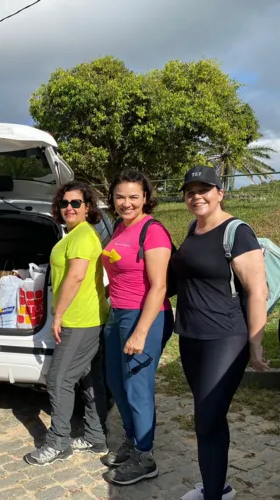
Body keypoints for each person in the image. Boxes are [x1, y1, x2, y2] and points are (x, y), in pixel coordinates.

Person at [171, 166, 270, 500]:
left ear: (220, 192)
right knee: (207, 415)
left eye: (204, 189)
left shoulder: (237, 232)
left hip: (225, 337)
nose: (196, 196)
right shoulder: (193, 229)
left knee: (207, 417)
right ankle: (217, 486)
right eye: (190, 191)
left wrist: (255, 344)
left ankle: (213, 494)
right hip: (190, 335)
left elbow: (257, 291)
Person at [24, 181, 110, 466]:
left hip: (80, 320)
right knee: (89, 378)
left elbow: (75, 277)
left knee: (58, 379)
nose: (69, 208)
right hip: (86, 317)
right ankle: (96, 436)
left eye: (76, 203)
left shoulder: (83, 236)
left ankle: (59, 442)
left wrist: (57, 315)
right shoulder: (74, 234)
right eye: (64, 203)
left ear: (88, 207)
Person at [100, 171, 175, 485]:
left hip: (146, 315)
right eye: (120, 196)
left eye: (133, 196)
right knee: (117, 384)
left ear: (146, 197)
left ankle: (145, 457)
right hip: (118, 313)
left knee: (137, 388)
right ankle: (132, 441)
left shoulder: (153, 231)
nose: (126, 202)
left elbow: (158, 287)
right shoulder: (119, 226)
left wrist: (141, 331)